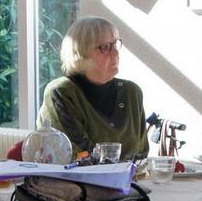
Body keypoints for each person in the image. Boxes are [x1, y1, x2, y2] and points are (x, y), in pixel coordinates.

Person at [37, 16, 150, 160]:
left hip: (128, 181)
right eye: (105, 47)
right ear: (80, 53)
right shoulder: (61, 92)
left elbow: (141, 155)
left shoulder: (132, 92)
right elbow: (75, 156)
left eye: (115, 44)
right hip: (75, 181)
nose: (115, 53)